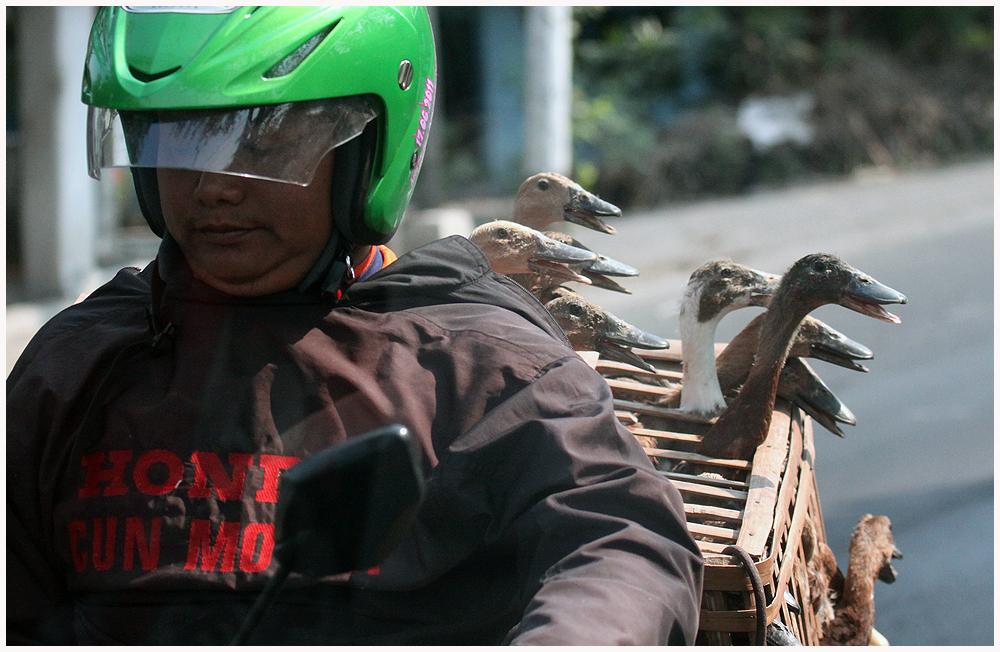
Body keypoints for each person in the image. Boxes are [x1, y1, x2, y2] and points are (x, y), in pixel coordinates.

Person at [7, 6, 703, 645]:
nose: (213, 185)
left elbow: (621, 539)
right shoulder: (79, 363)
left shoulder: (481, 363)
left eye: (265, 142)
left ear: (369, 154)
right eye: (178, 141)